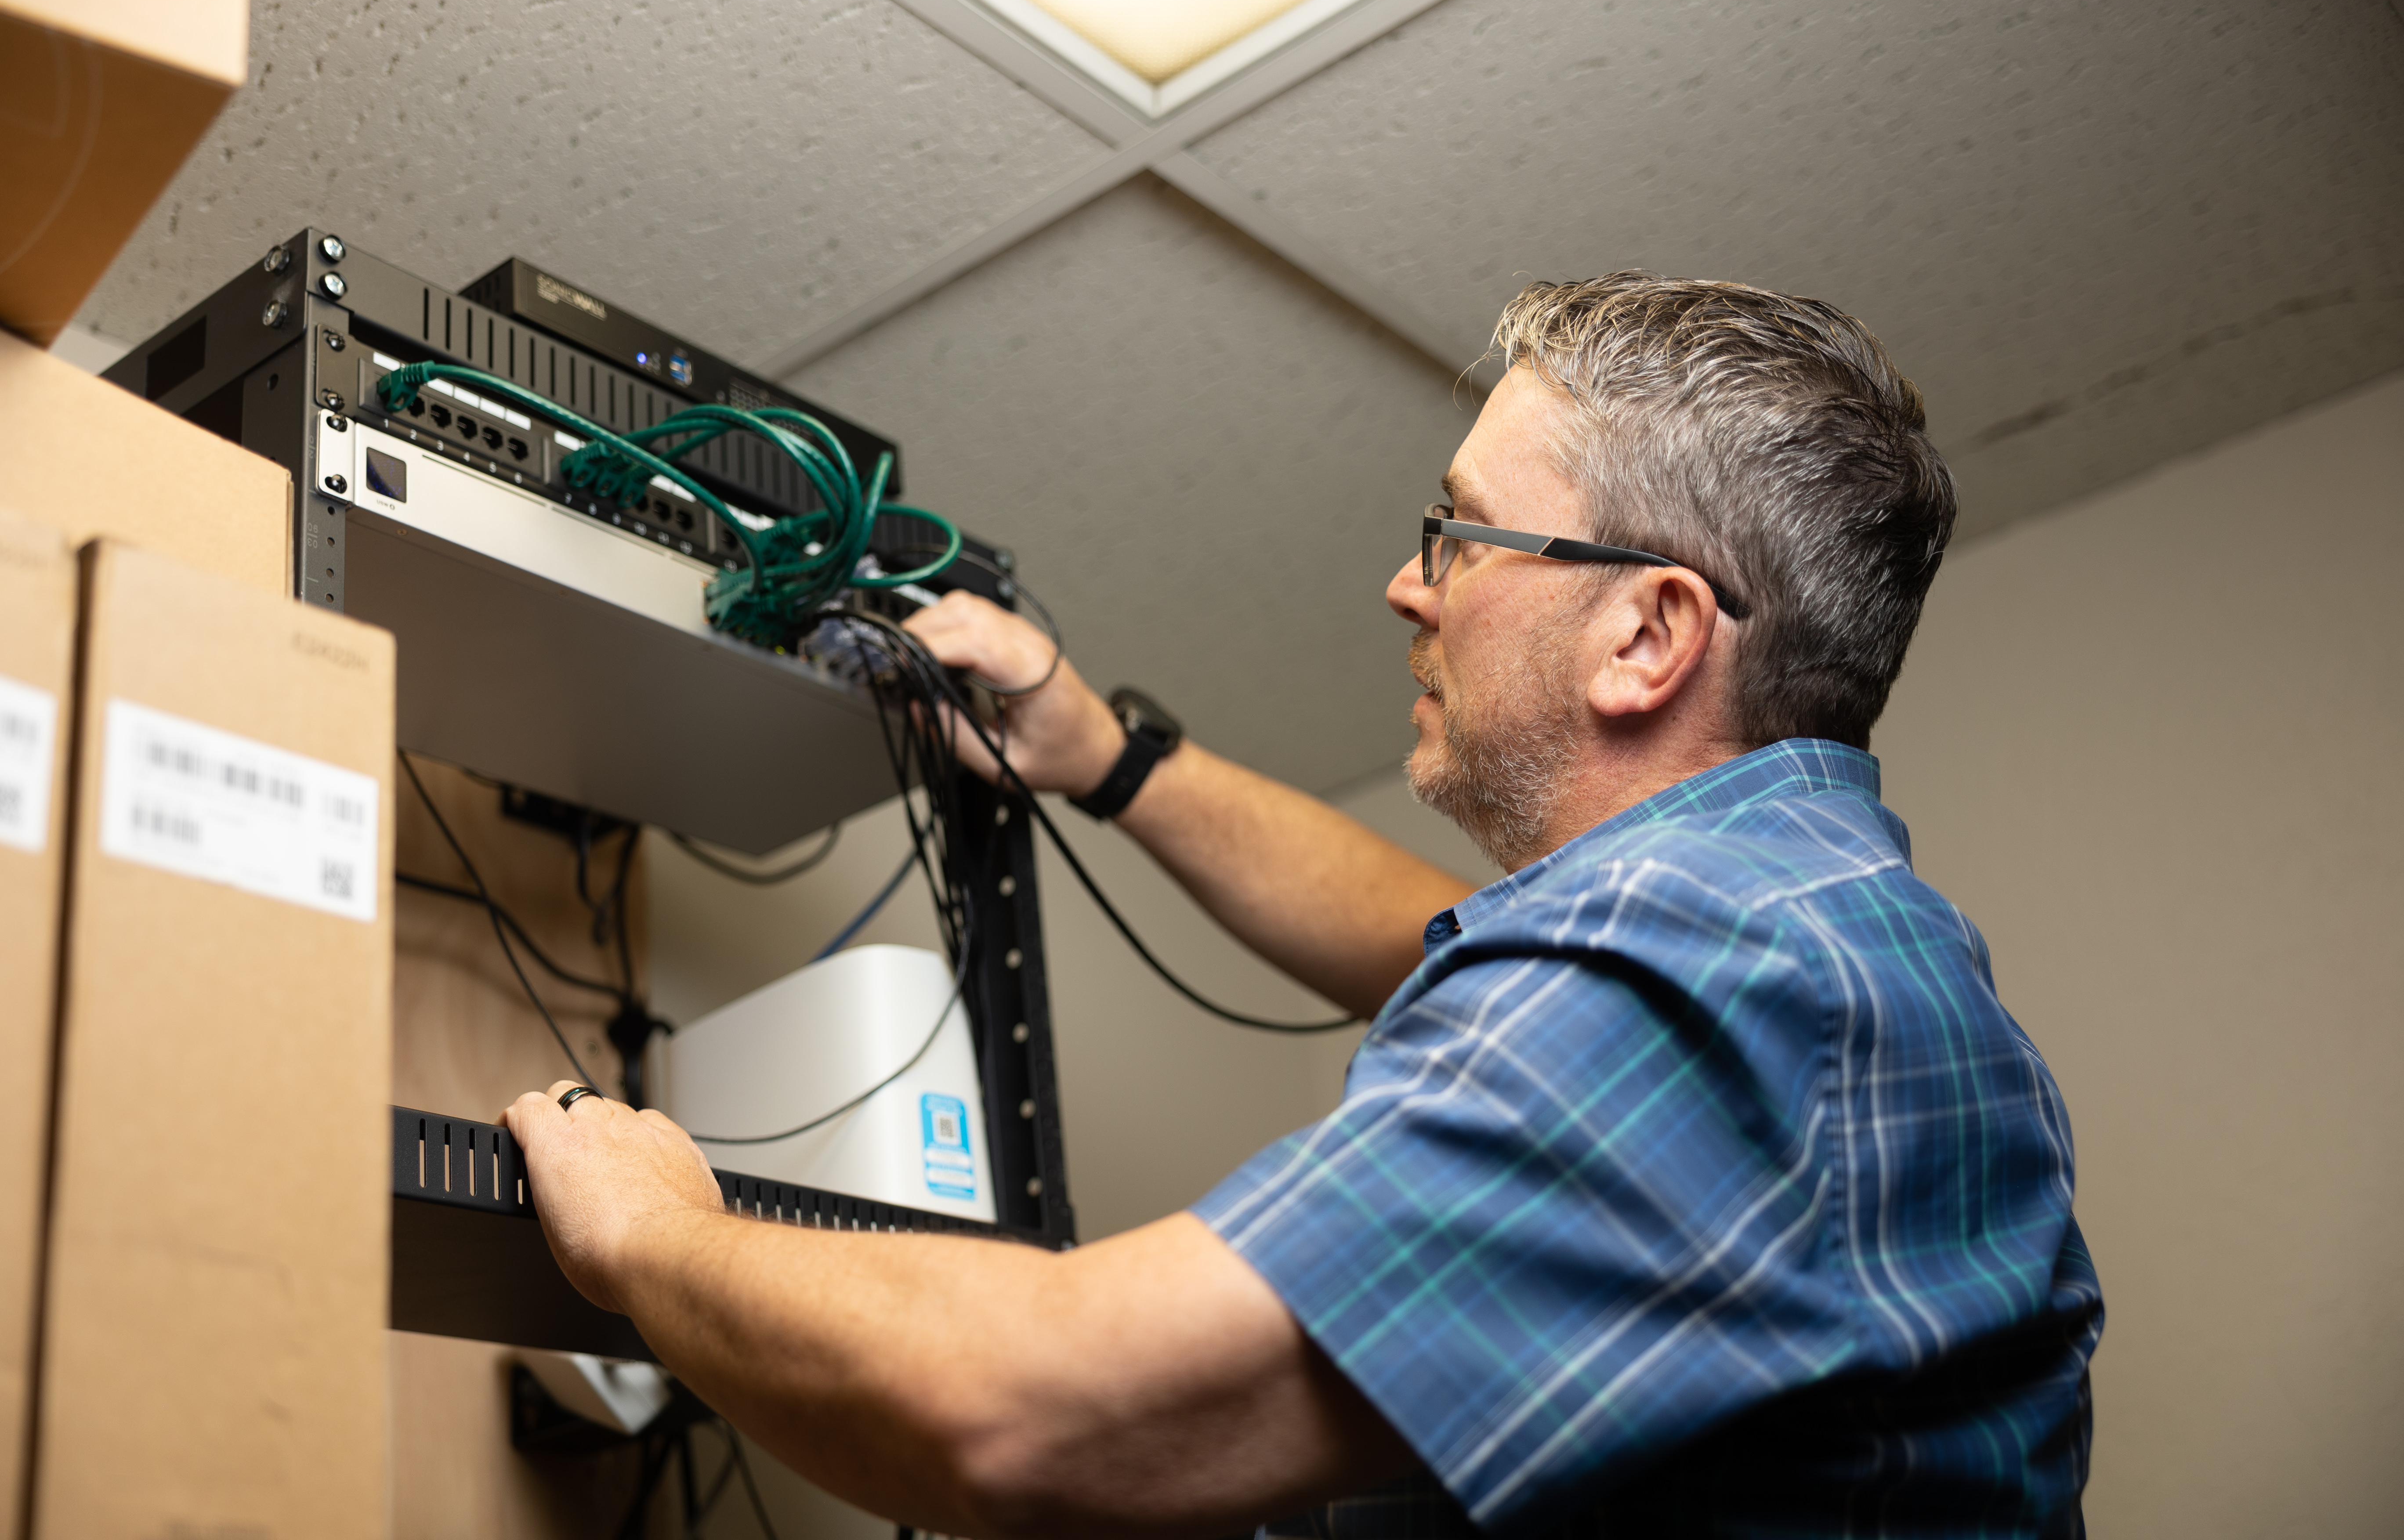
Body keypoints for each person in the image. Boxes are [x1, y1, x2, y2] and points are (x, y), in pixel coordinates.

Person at [504, 273, 2102, 1539]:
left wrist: (651, 1232)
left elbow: (1036, 1413)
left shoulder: (1715, 976)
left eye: (1462, 533)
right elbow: (1419, 938)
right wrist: (1104, 753)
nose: (1410, 586)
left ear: (1647, 636)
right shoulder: (1809, 934)